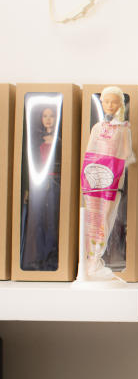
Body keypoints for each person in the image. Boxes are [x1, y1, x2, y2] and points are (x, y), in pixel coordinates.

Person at [80, 87, 134, 279]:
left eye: (114, 102)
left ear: (120, 104)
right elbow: (89, 152)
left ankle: (96, 259)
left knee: (104, 219)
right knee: (92, 219)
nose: (110, 105)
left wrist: (114, 169)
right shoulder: (96, 128)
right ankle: (89, 261)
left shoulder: (123, 129)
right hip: (94, 180)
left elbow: (127, 154)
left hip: (112, 180)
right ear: (101, 103)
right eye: (106, 102)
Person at [20, 103, 63, 271]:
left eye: (51, 116)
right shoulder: (36, 140)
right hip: (37, 184)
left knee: (52, 220)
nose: (48, 119)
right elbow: (30, 165)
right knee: (36, 220)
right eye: (45, 116)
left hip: (55, 183)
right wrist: (28, 188)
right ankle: (36, 258)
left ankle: (51, 259)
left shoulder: (60, 141)